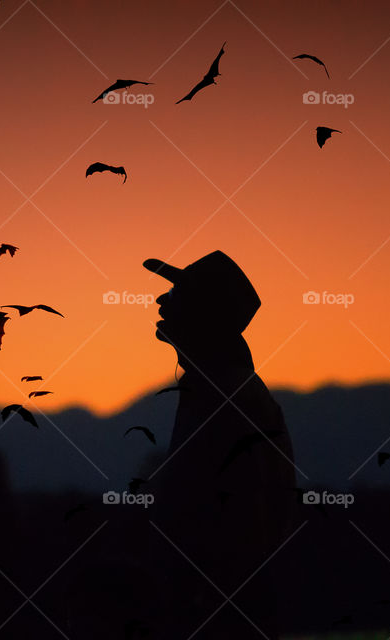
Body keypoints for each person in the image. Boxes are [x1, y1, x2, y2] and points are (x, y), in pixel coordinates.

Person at [143, 250, 296, 638]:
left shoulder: (225, 397)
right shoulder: (220, 387)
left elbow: (242, 520)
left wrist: (199, 605)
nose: (162, 302)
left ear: (203, 316)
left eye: (178, 295)